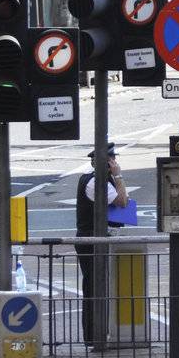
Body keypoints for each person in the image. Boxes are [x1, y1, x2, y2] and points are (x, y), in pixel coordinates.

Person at [75, 144, 128, 345]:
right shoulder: (96, 182)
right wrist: (119, 176)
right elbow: (123, 201)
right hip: (91, 241)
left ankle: (98, 333)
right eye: (112, 160)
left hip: (94, 239)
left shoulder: (99, 180)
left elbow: (124, 199)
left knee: (98, 287)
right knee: (93, 288)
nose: (115, 163)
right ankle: (93, 336)